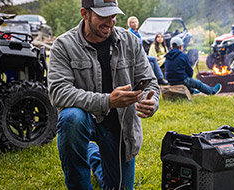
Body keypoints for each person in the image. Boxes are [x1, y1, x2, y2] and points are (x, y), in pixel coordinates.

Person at [47, 1, 160, 189]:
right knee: (71, 118)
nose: (111, 22)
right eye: (103, 16)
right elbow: (58, 92)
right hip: (84, 119)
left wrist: (152, 101)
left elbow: (151, 81)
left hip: (118, 126)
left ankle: (93, 156)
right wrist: (107, 101)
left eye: (113, 16)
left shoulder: (130, 41)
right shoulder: (63, 45)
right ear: (85, 14)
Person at [127, 16, 168, 85]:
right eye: (132, 22)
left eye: (135, 22)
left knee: (151, 64)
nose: (134, 23)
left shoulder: (137, 33)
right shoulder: (129, 33)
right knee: (153, 59)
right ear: (129, 24)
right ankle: (160, 78)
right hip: (135, 55)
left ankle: (152, 81)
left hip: (141, 54)